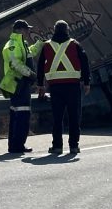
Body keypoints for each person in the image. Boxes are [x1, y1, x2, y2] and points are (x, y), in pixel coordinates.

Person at [37, 20, 90, 155]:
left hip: (55, 87)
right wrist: (86, 82)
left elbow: (40, 66)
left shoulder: (47, 46)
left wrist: (40, 85)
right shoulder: (75, 44)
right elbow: (85, 63)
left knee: (57, 118)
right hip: (73, 86)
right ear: (67, 30)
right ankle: (73, 146)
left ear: (54, 30)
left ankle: (57, 146)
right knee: (74, 117)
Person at [0, 19, 43, 154]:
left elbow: (29, 53)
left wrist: (40, 44)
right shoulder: (11, 45)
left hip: (23, 84)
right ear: (19, 30)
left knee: (19, 115)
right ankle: (17, 146)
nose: (28, 31)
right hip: (18, 85)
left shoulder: (21, 44)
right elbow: (15, 63)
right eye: (26, 28)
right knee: (21, 116)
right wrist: (31, 74)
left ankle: (16, 145)